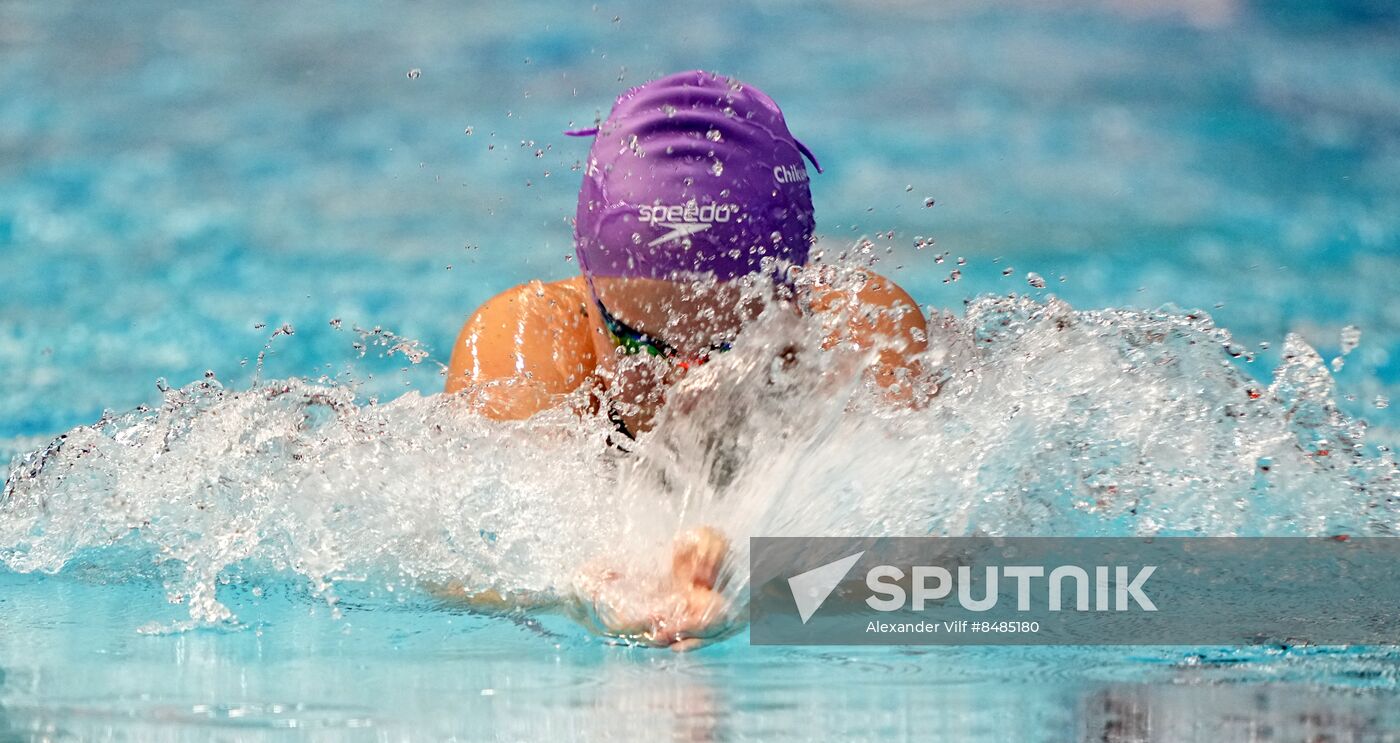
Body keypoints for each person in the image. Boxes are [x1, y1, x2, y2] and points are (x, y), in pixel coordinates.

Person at [443, 70, 930, 650]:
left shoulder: (858, 330)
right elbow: (470, 563)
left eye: (731, 346)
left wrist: (768, 583)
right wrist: (601, 584)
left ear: (794, 295)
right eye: (642, 343)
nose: (688, 379)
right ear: (590, 290)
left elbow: (946, 557)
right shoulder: (529, 337)